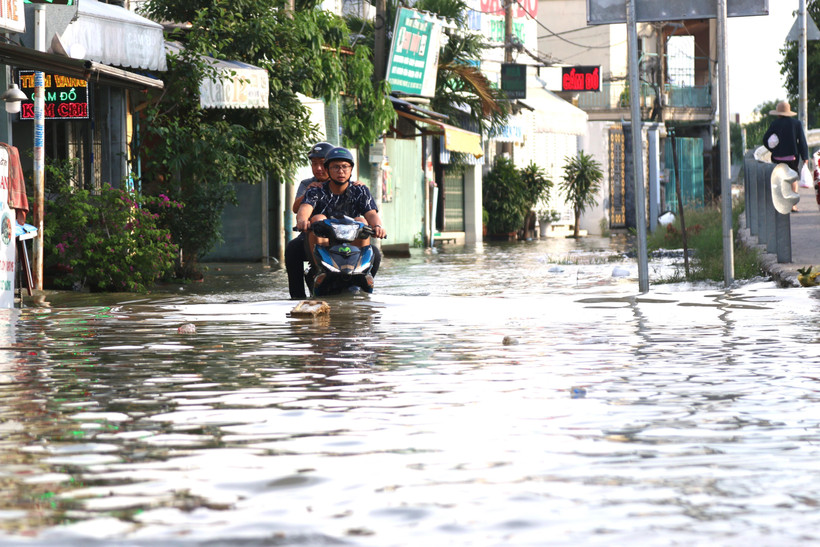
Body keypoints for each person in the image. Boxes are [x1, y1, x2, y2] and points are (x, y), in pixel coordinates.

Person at [296, 147, 386, 276]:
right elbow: (305, 208)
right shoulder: (315, 190)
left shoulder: (360, 190)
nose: (341, 171)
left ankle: (364, 276)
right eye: (336, 167)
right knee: (316, 221)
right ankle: (318, 271)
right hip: (324, 243)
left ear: (351, 170)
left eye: (345, 167)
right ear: (328, 170)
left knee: (363, 224)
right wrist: (302, 221)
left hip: (352, 241)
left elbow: (371, 213)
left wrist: (377, 226)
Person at [763, 100, 808, 212]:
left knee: (779, 179)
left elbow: (765, 140)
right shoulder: (796, 124)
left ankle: (780, 203)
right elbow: (802, 141)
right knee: (793, 180)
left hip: (778, 158)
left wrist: (773, 150)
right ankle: (793, 205)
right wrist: (805, 157)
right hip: (791, 158)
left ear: (778, 113)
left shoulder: (774, 124)